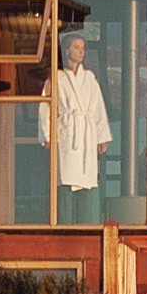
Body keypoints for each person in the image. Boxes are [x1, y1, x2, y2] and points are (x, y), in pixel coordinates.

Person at [40, 28, 111, 215]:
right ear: (66, 51)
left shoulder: (90, 79)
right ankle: (64, 220)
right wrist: (47, 135)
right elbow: (45, 108)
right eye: (77, 47)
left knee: (87, 179)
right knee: (65, 177)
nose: (81, 51)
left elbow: (98, 108)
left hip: (86, 133)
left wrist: (101, 136)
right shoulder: (56, 78)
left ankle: (87, 219)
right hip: (66, 132)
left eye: (83, 48)